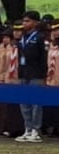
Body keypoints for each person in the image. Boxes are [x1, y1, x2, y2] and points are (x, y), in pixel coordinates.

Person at [14, 11, 49, 143]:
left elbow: (43, 59)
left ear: (35, 22)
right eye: (24, 21)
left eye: (27, 21)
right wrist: (19, 73)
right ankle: (27, 129)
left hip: (36, 74)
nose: (24, 24)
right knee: (24, 102)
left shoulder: (40, 37)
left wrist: (43, 76)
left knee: (36, 103)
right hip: (24, 73)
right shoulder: (22, 38)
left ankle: (36, 129)